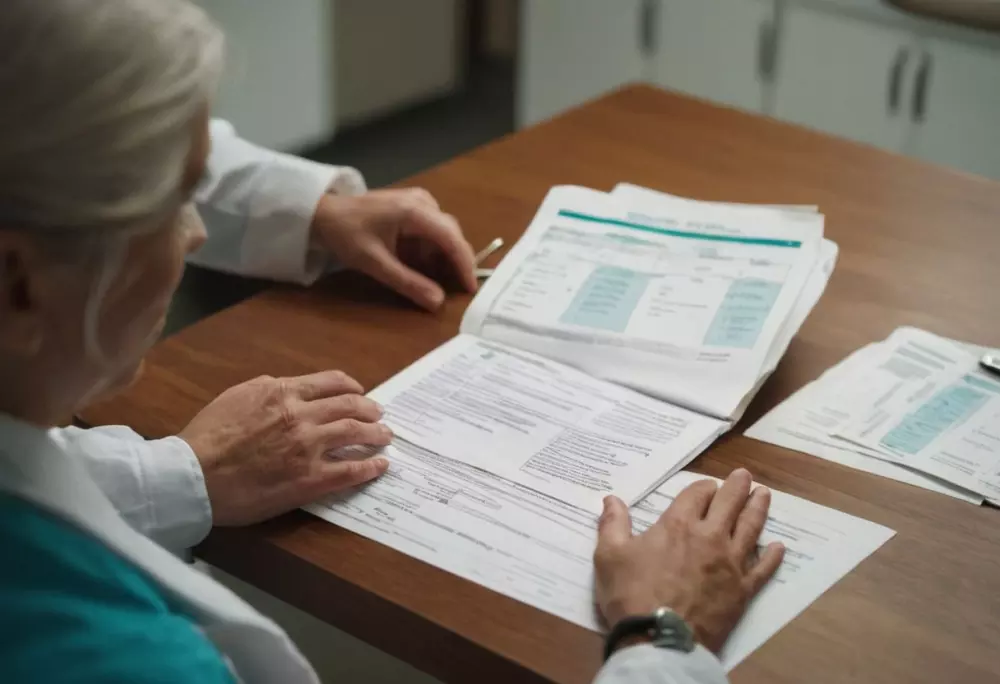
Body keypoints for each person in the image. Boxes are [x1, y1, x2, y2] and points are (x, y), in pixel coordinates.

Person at [0, 2, 785, 683]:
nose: (198, 231)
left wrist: (179, 474)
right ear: (19, 283)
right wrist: (663, 640)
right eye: (173, 200)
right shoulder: (104, 653)